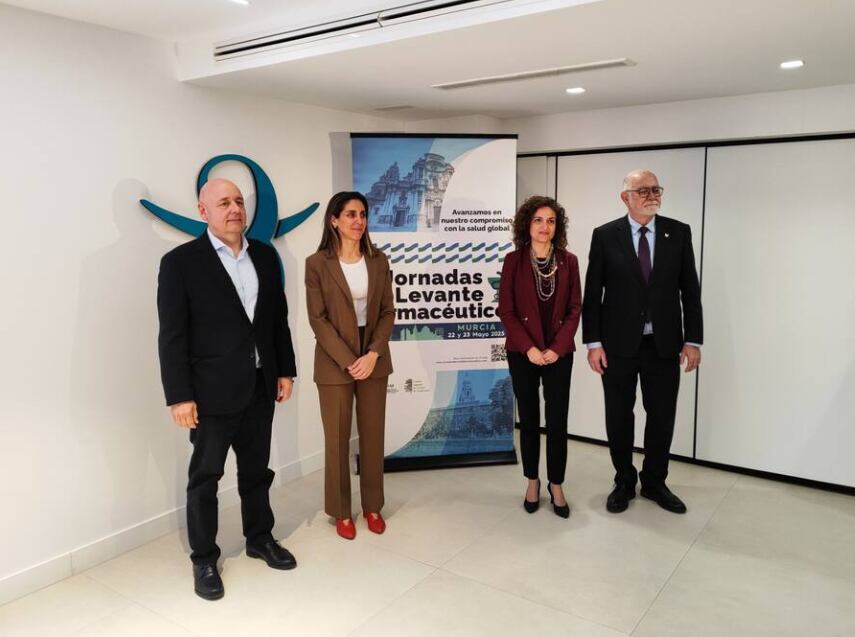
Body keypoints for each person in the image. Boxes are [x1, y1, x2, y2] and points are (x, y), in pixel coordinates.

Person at [157, 178, 298, 601]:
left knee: (257, 471)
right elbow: (173, 336)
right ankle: (204, 558)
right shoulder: (180, 262)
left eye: (238, 201)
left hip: (259, 385)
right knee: (206, 478)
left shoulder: (266, 256)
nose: (234, 208)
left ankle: (260, 538)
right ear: (203, 211)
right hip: (209, 393)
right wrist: (179, 396)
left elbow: (276, 321)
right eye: (223, 203)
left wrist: (285, 370)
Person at [582, 169, 703, 515]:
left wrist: (693, 340)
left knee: (662, 416)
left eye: (656, 189)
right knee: (619, 416)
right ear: (626, 197)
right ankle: (624, 480)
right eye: (644, 190)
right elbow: (593, 293)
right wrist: (593, 343)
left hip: (664, 345)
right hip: (617, 346)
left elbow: (690, 291)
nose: (652, 196)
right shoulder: (606, 236)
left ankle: (654, 482)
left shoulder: (678, 232)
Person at [305, 191, 394, 540]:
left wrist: (372, 354)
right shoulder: (317, 263)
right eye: (350, 214)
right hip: (334, 360)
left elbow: (387, 312)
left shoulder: (379, 260)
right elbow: (318, 319)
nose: (358, 221)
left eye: (362, 214)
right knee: (337, 438)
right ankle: (341, 511)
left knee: (373, 436)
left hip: (373, 358)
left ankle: (373, 506)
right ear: (334, 220)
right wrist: (349, 360)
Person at [497, 195, 582, 518]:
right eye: (538, 220)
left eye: (551, 221)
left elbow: (575, 308)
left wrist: (557, 348)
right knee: (530, 420)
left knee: (557, 421)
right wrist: (530, 349)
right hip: (524, 353)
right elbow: (506, 310)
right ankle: (532, 480)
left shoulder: (569, 261)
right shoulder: (513, 261)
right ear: (527, 225)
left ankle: (556, 483)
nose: (544, 226)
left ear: (557, 227)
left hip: (559, 353)